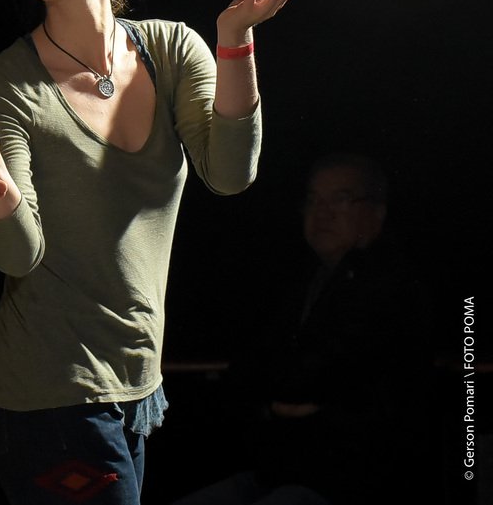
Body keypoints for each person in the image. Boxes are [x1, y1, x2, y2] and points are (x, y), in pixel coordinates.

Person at [0, 0, 306, 505]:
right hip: (47, 392)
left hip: (136, 383)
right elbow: (19, 254)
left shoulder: (172, 50)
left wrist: (235, 38)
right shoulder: (3, 83)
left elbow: (230, 174)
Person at [170, 152, 430, 505]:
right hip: (280, 471)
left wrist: (285, 394)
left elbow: (319, 378)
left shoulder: (392, 286)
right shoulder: (301, 279)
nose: (322, 213)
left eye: (340, 199)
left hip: (350, 481)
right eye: (313, 200)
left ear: (377, 211)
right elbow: (248, 369)